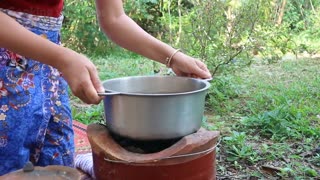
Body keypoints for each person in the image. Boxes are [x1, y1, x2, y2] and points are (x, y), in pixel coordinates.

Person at [0, 0, 212, 175]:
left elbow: (115, 18)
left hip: (50, 72)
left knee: (57, 166)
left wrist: (173, 57)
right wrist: (62, 57)